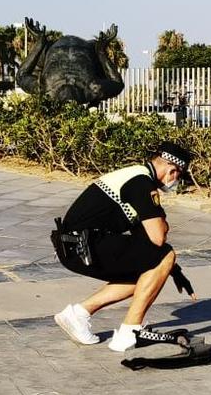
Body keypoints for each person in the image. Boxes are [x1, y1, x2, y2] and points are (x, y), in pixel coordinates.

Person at [50, 143, 199, 351]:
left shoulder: (137, 177)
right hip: (84, 246)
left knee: (149, 268)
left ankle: (78, 314)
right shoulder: (141, 182)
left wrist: (173, 270)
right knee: (163, 255)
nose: (176, 182)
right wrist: (166, 249)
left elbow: (147, 240)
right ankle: (130, 331)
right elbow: (158, 236)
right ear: (172, 170)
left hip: (76, 247)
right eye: (178, 177)